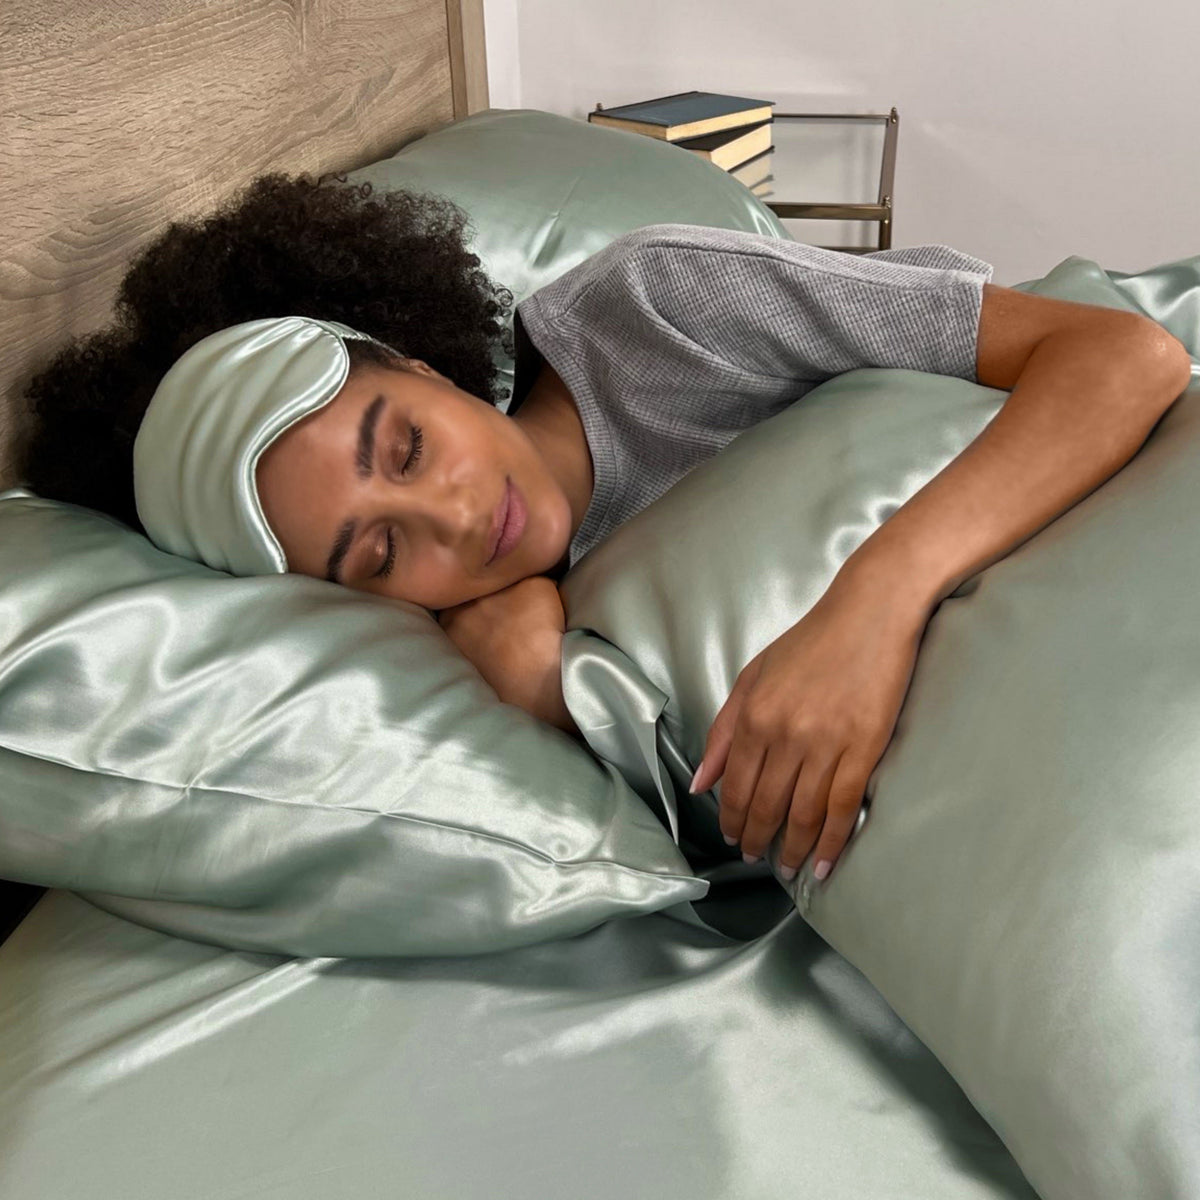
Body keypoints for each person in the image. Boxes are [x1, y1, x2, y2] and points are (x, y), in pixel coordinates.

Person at [23, 170, 1185, 884]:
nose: (457, 519)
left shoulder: (657, 308)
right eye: (379, 552)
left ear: (422, 362)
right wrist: (549, 698)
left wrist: (871, 607)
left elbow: (1123, 351)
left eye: (408, 446)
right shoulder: (480, 647)